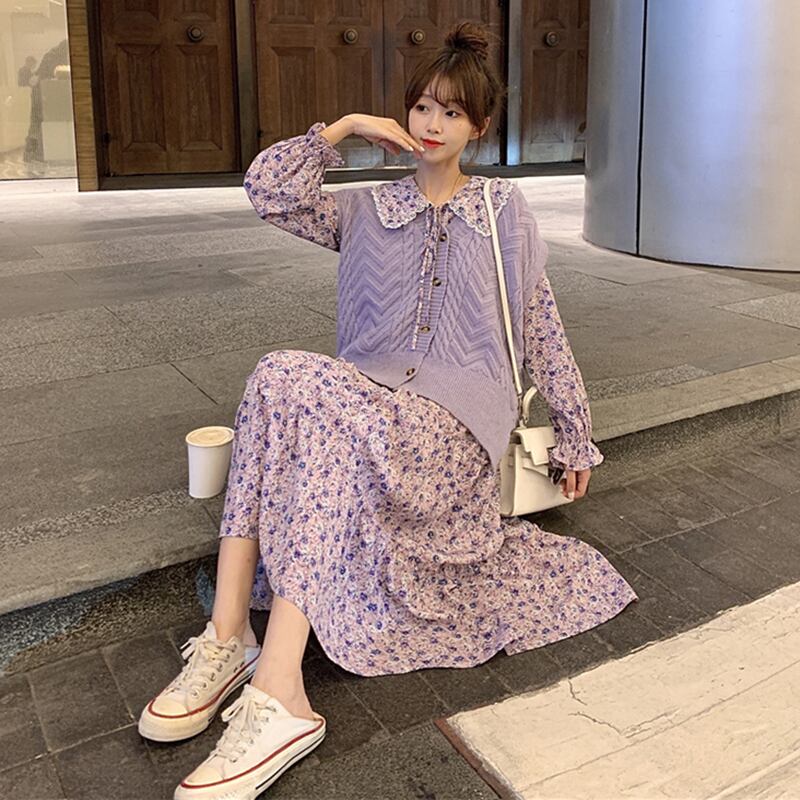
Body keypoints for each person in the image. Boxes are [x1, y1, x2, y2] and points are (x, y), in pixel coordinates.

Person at [138, 21, 639, 800]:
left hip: (451, 427)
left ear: (479, 127)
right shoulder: (368, 210)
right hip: (371, 399)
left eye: (452, 112)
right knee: (277, 375)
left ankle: (281, 691)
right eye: (422, 106)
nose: (431, 124)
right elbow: (269, 192)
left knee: (313, 401)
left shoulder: (503, 213)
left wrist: (576, 434)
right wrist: (339, 130)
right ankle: (229, 636)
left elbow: (541, 325)